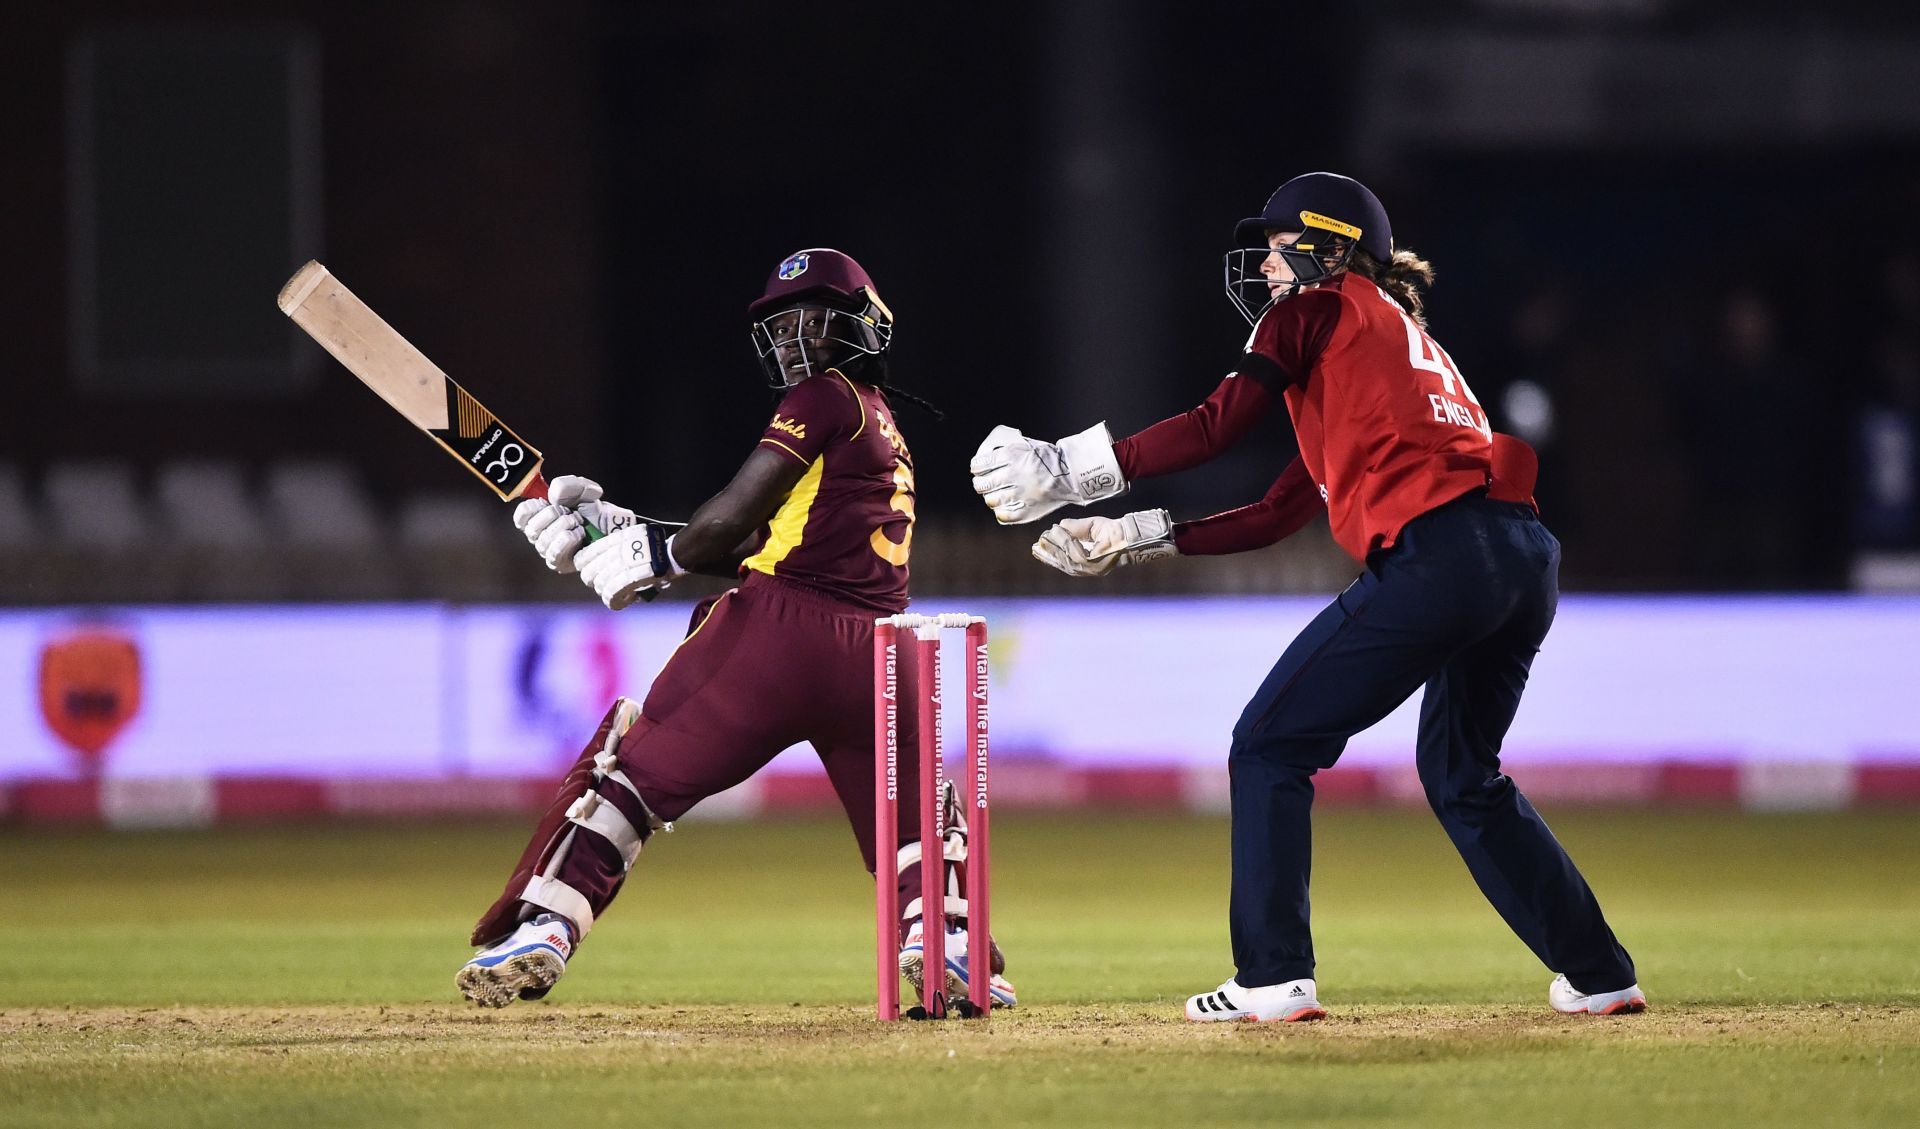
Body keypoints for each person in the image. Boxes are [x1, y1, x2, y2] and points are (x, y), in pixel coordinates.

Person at [969, 173, 1642, 1022]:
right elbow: (1279, 510)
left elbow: (1216, 424)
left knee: (1268, 746)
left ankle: (1272, 976)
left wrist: (1070, 471)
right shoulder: (1386, 345)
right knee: (1463, 775)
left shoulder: (1317, 310)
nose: (1270, 275)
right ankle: (1599, 970)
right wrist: (1139, 534)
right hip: (1520, 559)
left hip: (1443, 557)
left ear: (1330, 250)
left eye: (1283, 254)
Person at [457, 248, 1013, 1010]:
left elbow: (732, 519)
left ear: (858, 326)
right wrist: (626, 529)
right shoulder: (879, 423)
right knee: (917, 816)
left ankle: (546, 926)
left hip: (778, 640)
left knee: (631, 777)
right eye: (783, 326)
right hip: (883, 653)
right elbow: (765, 542)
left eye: (812, 321)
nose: (793, 339)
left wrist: (658, 555)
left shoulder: (824, 397)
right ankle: (946, 942)